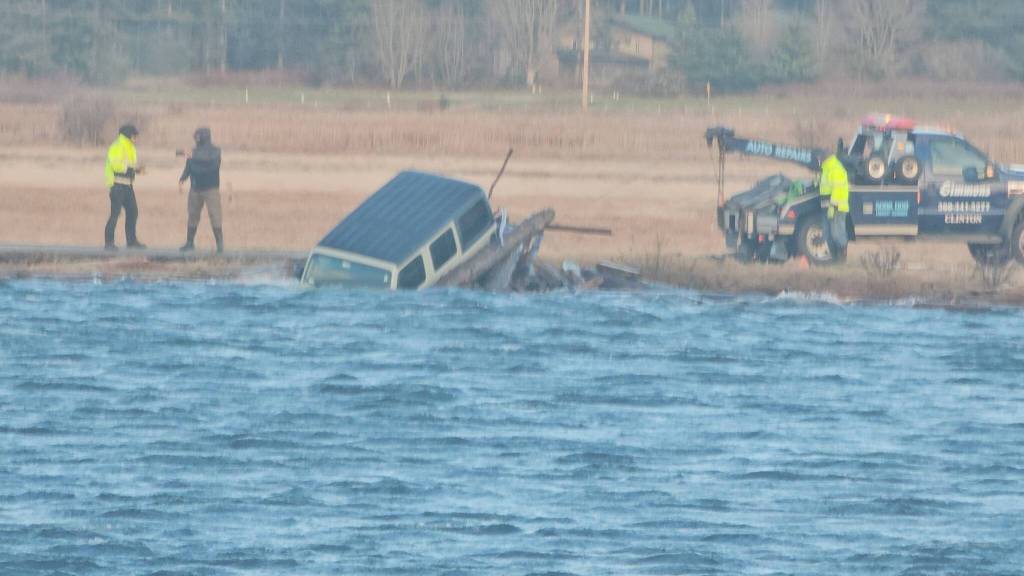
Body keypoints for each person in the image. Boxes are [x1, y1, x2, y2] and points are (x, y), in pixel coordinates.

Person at [178, 127, 223, 253]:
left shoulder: (215, 151)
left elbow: (210, 162)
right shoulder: (193, 152)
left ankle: (220, 245)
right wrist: (182, 178)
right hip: (195, 188)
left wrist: (192, 154)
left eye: (198, 137)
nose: (196, 139)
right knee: (192, 215)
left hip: (211, 189)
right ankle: (189, 243)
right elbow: (189, 167)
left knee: (215, 215)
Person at [104, 124, 146, 250]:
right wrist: (132, 170)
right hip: (117, 185)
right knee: (115, 214)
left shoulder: (130, 147)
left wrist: (136, 170)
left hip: (128, 185)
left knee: (133, 212)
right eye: (134, 136)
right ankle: (109, 243)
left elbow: (129, 165)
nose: (136, 139)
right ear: (129, 135)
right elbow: (116, 166)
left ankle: (131, 241)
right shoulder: (117, 146)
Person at [819, 140, 850, 262]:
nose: (818, 160)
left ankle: (841, 258)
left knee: (838, 234)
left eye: (820, 158)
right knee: (828, 235)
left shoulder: (835, 169)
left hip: (837, 208)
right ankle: (835, 259)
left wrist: (833, 206)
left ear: (824, 158)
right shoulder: (828, 168)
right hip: (828, 208)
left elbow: (838, 190)